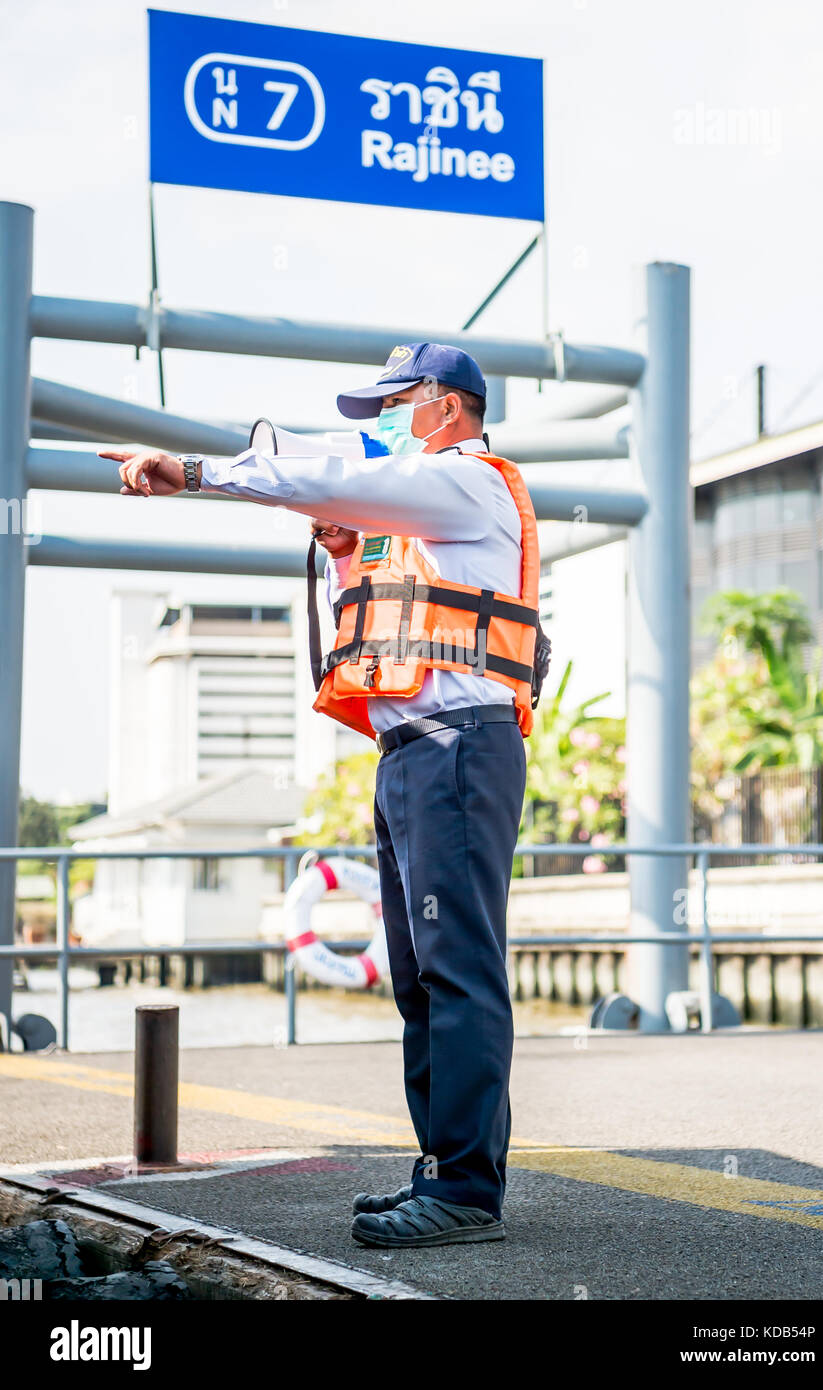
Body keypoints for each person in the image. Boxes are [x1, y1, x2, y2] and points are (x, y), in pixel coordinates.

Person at [99, 342, 547, 1249]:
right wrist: (346, 551)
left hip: (458, 750)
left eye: (392, 404)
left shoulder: (468, 480)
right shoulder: (425, 506)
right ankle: (443, 1170)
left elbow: (329, 473)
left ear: (445, 405)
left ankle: (466, 1190)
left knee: (457, 967)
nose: (380, 423)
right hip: (416, 754)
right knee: (421, 977)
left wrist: (191, 471)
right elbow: (391, 601)